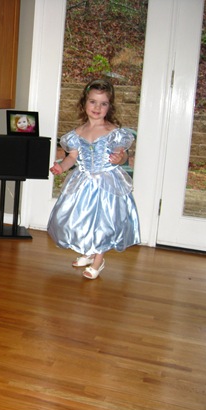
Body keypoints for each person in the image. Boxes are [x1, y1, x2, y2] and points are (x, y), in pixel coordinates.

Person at [47, 79, 140, 279]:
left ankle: (98, 261)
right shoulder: (77, 133)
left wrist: (120, 158)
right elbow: (72, 157)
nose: (97, 108)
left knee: (103, 222)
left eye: (103, 103)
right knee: (84, 219)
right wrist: (61, 167)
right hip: (83, 183)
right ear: (84, 104)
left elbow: (123, 155)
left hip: (107, 184)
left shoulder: (113, 132)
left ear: (109, 107)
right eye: (93, 102)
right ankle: (89, 253)